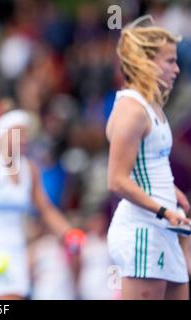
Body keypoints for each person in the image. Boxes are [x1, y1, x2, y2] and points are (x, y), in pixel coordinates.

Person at [106, 15, 191, 300]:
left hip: (163, 226)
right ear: (146, 62)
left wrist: (173, 193)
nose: (177, 69)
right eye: (169, 61)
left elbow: (147, 165)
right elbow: (117, 181)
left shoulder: (152, 105)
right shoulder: (132, 110)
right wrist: (164, 210)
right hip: (143, 229)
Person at [0, 109, 85, 300]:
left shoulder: (30, 170)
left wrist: (69, 234)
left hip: (19, 251)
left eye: (26, 133)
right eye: (18, 132)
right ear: (2, 135)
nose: (24, 138)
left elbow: (45, 209)